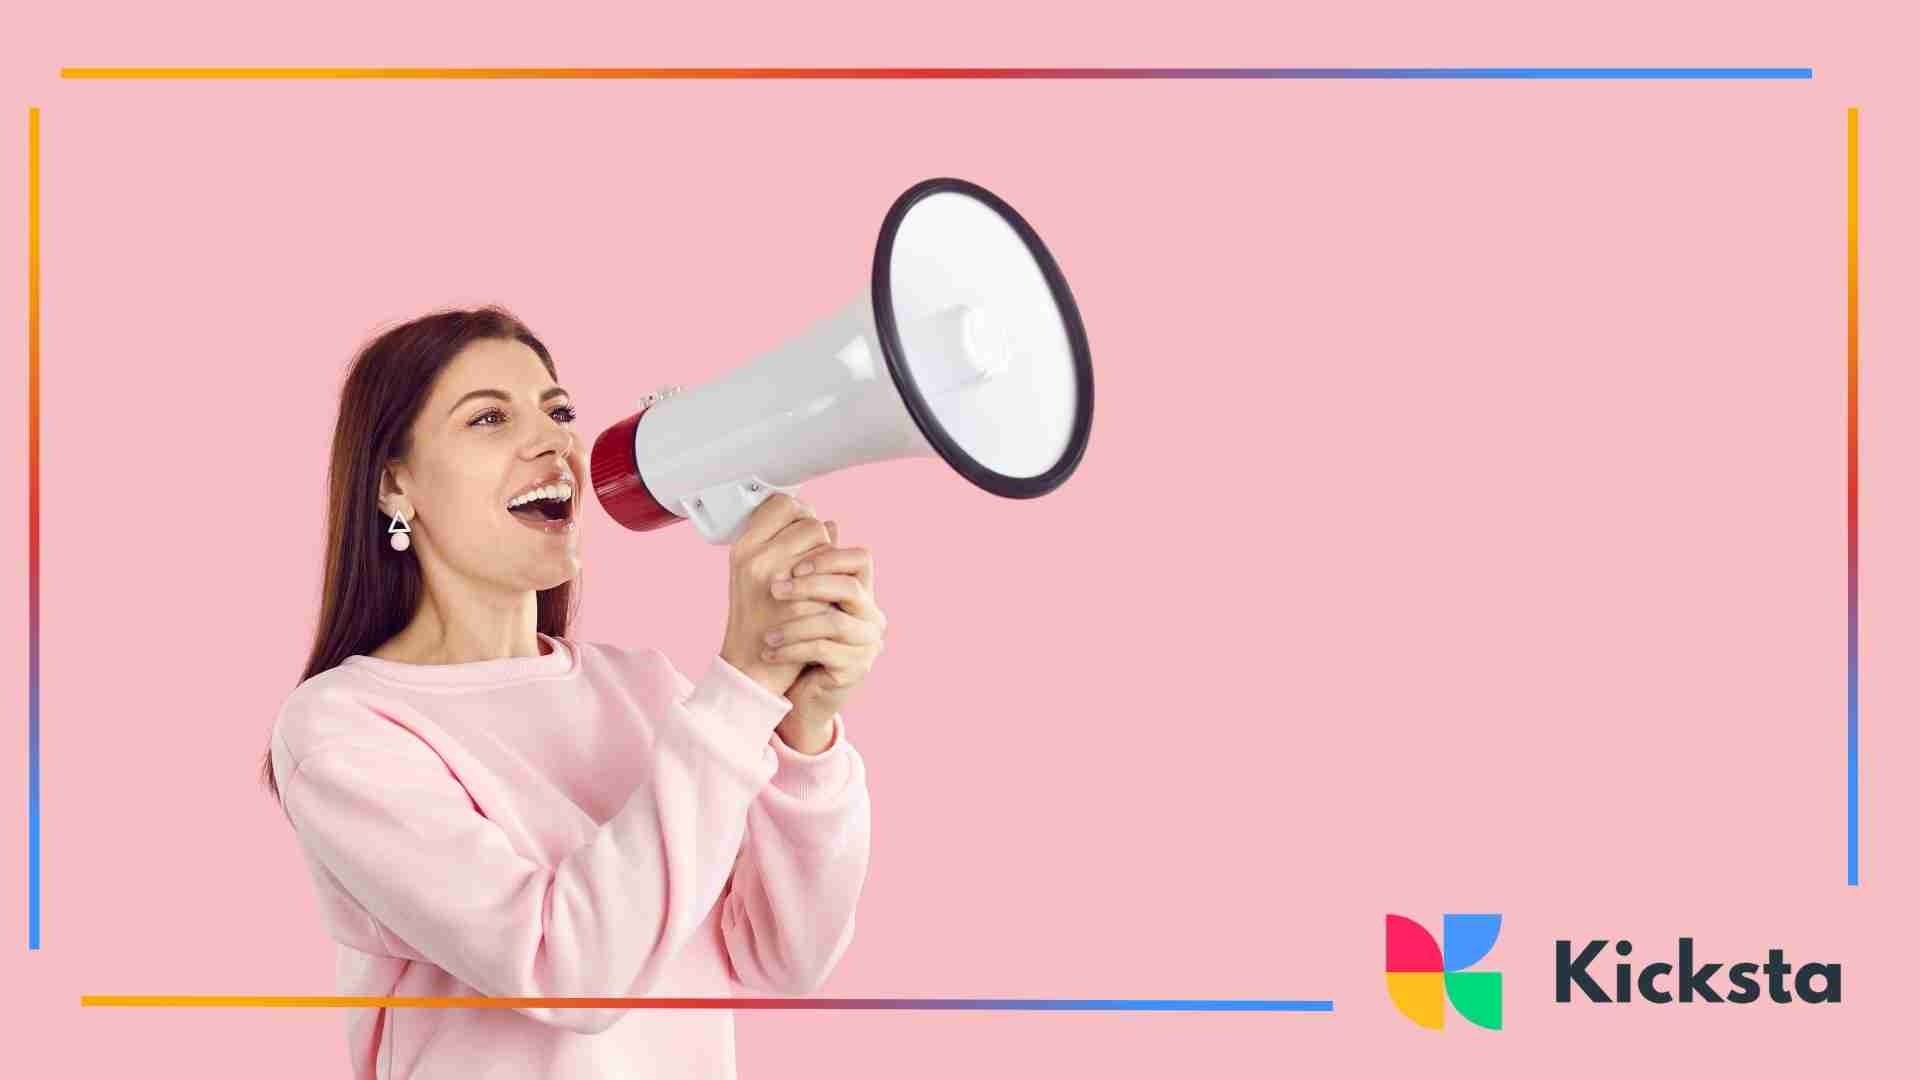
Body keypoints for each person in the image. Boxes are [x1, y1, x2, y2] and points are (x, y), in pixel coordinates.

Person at [259, 306, 880, 1079]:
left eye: (560, 412)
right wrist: (744, 688)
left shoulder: (647, 687)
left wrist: (805, 736)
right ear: (395, 484)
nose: (554, 442)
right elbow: (571, 974)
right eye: (489, 418)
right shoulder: (345, 731)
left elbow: (782, 957)